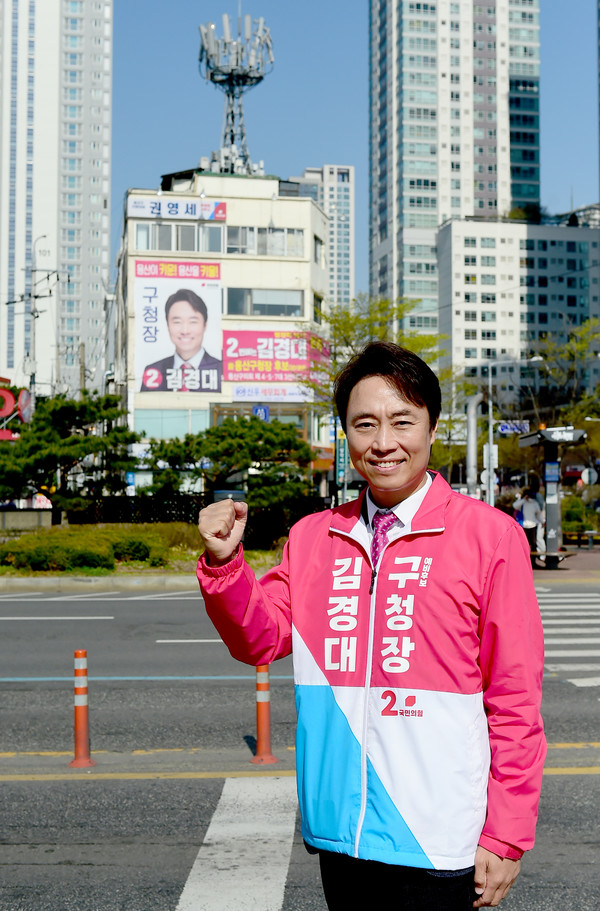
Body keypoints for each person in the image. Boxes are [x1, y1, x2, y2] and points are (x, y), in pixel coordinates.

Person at [196, 342, 546, 911]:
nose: (383, 443)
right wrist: (223, 564)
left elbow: (514, 699)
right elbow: (261, 637)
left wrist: (506, 833)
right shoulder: (314, 536)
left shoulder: (490, 537)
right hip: (342, 831)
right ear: (346, 436)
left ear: (432, 429)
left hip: (438, 836)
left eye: (402, 421)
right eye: (364, 425)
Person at [140, 288, 222, 392]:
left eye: (193, 322)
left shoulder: (220, 370)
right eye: (177, 322)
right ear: (168, 325)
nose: (185, 330)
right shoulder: (153, 372)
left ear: (204, 325)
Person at [512, 489, 545, 568]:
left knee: (533, 544)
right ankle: (523, 562)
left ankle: (533, 562)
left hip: (533, 525)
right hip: (524, 525)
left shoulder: (534, 503)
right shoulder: (522, 503)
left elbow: (538, 514)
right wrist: (523, 499)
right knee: (523, 544)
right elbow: (515, 505)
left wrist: (542, 521)